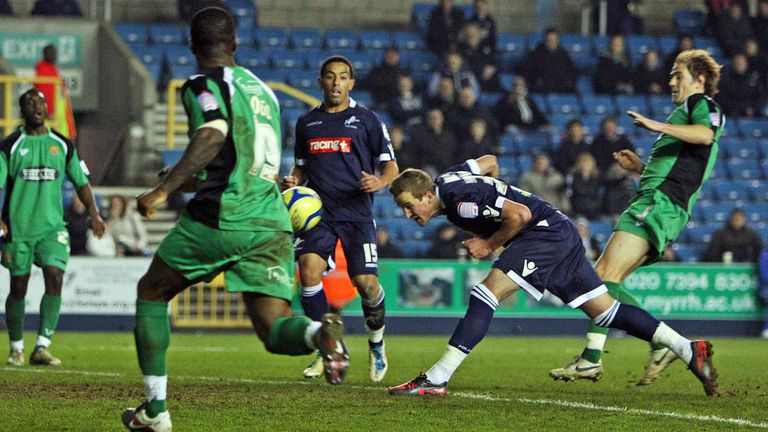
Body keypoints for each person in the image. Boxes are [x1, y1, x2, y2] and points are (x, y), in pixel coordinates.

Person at [121, 8, 349, 431]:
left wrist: (163, 191)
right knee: (273, 329)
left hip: (222, 217)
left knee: (151, 292)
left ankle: (155, 411)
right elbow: (239, 157)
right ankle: (319, 335)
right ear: (236, 44)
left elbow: (212, 133)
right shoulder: (263, 89)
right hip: (270, 221)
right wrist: (185, 177)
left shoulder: (203, 84)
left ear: (192, 45)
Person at [386, 155, 718, 397]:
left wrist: (489, 242)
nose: (406, 214)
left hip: (541, 233)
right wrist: (499, 190)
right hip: (560, 230)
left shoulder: (460, 203)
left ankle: (437, 378)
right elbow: (488, 162)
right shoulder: (450, 178)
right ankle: (688, 348)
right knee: (605, 312)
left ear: (427, 196)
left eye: (408, 205)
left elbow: (519, 214)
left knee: (484, 294)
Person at [549, 49, 725, 386]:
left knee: (599, 277)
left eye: (679, 74)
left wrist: (654, 125)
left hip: (659, 204)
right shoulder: (686, 114)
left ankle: (596, 358)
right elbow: (682, 165)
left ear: (700, 79)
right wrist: (640, 169)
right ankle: (668, 346)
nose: (672, 80)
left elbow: (705, 135)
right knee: (605, 282)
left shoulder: (701, 106)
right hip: (660, 201)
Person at [280, 55, 399, 384]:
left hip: (357, 213)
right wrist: (292, 181)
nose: (336, 83)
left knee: (366, 285)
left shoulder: (367, 120)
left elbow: (391, 167)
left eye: (343, 77)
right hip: (319, 213)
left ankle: (376, 346)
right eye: (330, 77)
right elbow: (301, 168)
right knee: (307, 272)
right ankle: (327, 349)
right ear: (320, 83)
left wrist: (380, 181)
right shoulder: (306, 123)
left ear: (352, 83)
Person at [1, 88, 104, 368]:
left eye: (41, 102)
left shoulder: (64, 144)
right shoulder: (9, 145)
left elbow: (81, 182)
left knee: (55, 277)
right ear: (22, 110)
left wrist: (95, 214)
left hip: (52, 228)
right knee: (18, 287)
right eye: (30, 103)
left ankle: (42, 347)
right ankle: (16, 347)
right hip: (18, 229)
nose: (36, 107)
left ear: (47, 109)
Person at [517, 28, 578, 94]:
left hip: (560, 88)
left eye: (555, 40)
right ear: (545, 41)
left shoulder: (564, 55)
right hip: (541, 89)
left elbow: (572, 72)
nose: (553, 43)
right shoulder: (535, 55)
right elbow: (528, 72)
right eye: (550, 40)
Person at [34, 44, 76, 140]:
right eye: (51, 53)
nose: (54, 55)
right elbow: (46, 95)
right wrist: (49, 113)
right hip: (54, 119)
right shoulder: (44, 72)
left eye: (54, 53)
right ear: (45, 54)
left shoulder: (52, 69)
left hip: (61, 119)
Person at [716, 53, 767, 118]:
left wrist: (753, 108)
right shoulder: (725, 79)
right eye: (736, 63)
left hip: (752, 112)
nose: (738, 65)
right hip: (731, 112)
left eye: (741, 63)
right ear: (732, 64)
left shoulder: (753, 79)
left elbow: (761, 97)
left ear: (746, 64)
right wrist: (738, 108)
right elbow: (722, 97)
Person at [566, 152, 603, 219]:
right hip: (578, 208)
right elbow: (577, 191)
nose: (585, 166)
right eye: (583, 163)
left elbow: (593, 191)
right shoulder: (573, 177)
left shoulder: (596, 177)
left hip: (593, 209)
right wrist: (583, 177)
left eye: (588, 164)